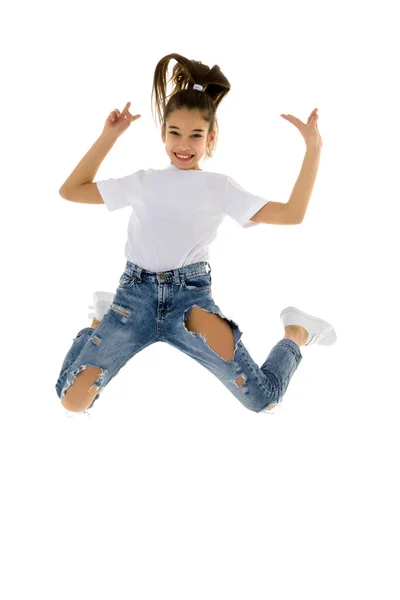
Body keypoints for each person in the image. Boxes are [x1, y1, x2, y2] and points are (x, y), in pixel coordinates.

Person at [56, 52, 336, 418]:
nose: (183, 145)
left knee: (262, 398)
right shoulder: (143, 182)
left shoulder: (219, 188)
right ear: (162, 133)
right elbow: (71, 190)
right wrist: (109, 136)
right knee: (72, 400)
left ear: (211, 136)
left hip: (190, 307)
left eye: (195, 135)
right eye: (174, 132)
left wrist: (313, 148)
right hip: (133, 299)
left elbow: (292, 214)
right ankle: (99, 321)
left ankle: (297, 331)